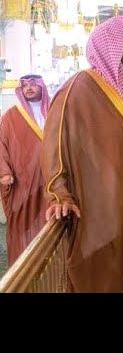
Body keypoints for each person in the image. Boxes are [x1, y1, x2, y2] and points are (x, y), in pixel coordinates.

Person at [41, 15, 123, 292]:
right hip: (102, 216)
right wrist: (59, 193)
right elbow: (55, 143)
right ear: (109, 46)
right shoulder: (79, 88)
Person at [0, 74, 50, 265]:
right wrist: (4, 172)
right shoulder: (12, 115)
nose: (29, 88)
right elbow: (1, 144)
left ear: (41, 86)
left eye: (33, 84)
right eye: (25, 85)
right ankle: (24, 264)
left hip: (51, 179)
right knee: (23, 223)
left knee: (50, 220)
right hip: (23, 183)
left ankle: (50, 263)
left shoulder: (54, 110)